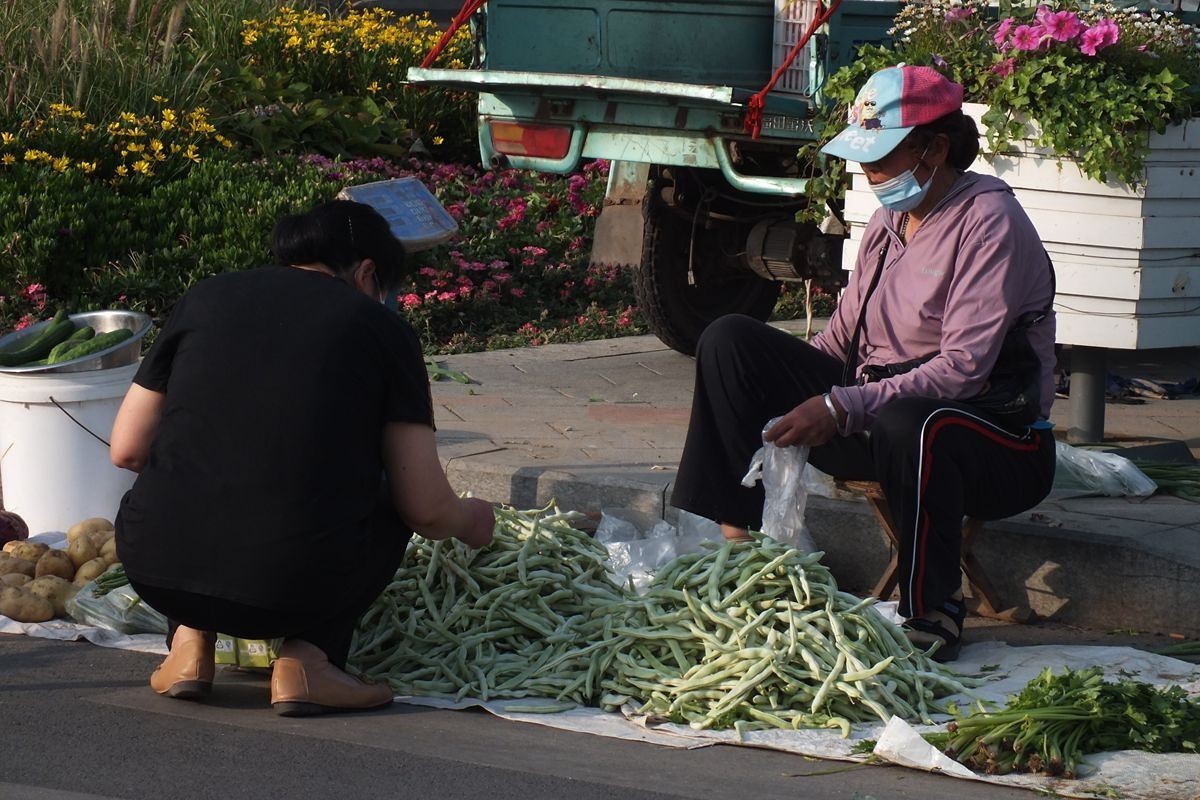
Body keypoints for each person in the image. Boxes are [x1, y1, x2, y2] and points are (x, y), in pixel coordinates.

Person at [669, 65, 1057, 661]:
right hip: (876, 419)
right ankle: (738, 555)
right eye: (866, 159)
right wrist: (803, 393)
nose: (870, 174)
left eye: (883, 157)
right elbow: (839, 344)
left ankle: (934, 606)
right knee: (730, 340)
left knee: (915, 419)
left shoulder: (989, 223)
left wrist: (838, 404)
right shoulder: (886, 222)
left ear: (935, 148)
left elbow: (962, 370)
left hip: (991, 440)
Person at [110, 199, 495, 715]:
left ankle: (187, 647)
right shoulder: (381, 328)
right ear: (367, 274)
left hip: (154, 570)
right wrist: (474, 522)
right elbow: (424, 508)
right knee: (386, 495)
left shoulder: (206, 297)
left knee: (189, 478)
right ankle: (310, 660)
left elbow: (128, 449)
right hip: (291, 588)